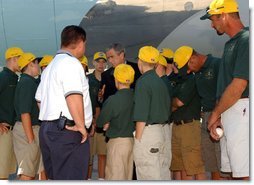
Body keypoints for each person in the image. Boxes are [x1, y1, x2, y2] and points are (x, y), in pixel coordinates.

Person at [35, 25, 92, 180]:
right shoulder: (71, 63)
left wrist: (52, 117)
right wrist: (81, 126)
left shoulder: (50, 67)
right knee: (71, 178)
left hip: (48, 128)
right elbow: (73, 96)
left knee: (56, 178)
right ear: (80, 42)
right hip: (68, 131)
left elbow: (39, 99)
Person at [200, 0, 249, 180]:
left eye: (213, 19)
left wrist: (214, 114)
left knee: (245, 173)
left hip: (243, 111)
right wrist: (220, 114)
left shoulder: (247, 39)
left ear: (224, 15)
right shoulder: (231, 44)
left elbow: (239, 85)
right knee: (235, 173)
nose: (212, 25)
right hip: (232, 112)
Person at [172, 45, 229, 180]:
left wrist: (218, 114)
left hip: (220, 115)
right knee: (211, 162)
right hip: (205, 117)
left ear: (193, 58)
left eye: (189, 67)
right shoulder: (196, 73)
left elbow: (226, 90)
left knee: (223, 161)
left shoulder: (217, 64)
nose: (188, 71)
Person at [133, 46, 171, 180]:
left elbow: (141, 115)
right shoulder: (161, 82)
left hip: (148, 133)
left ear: (140, 61)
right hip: (162, 132)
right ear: (155, 64)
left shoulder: (143, 82)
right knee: (162, 175)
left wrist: (138, 140)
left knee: (147, 175)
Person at [170, 46, 206, 180]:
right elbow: (174, 103)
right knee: (182, 166)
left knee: (195, 166)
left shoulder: (192, 80)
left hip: (189, 127)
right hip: (178, 126)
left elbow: (178, 102)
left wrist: (171, 103)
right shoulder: (180, 80)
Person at [97, 64, 135, 180]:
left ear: (116, 80)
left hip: (117, 144)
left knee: (115, 177)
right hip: (132, 142)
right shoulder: (136, 96)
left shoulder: (113, 100)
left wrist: (107, 123)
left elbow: (100, 122)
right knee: (128, 176)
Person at [13, 52, 41, 180]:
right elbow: (25, 113)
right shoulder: (26, 83)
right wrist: (31, 140)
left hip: (30, 130)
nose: (39, 66)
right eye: (37, 64)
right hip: (27, 131)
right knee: (27, 174)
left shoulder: (29, 82)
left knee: (30, 172)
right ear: (30, 64)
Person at [0, 47, 23, 179]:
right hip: (3, 132)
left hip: (12, 132)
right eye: (20, 59)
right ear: (13, 59)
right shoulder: (3, 77)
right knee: (1, 172)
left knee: (7, 172)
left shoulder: (15, 78)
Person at [87, 52, 107, 180]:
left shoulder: (109, 78)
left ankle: (101, 180)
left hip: (104, 123)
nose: (100, 64)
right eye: (98, 61)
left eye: (103, 61)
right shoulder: (88, 80)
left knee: (102, 154)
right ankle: (87, 180)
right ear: (93, 63)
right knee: (89, 156)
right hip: (91, 122)